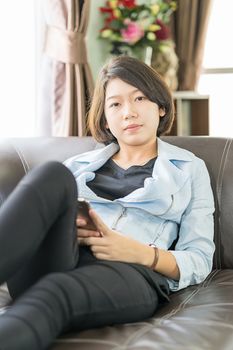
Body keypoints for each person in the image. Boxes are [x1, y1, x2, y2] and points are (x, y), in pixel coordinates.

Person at [0, 56, 215, 349]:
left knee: (53, 291)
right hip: (62, 256)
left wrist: (139, 252)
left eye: (139, 98)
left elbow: (200, 259)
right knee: (52, 173)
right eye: (115, 104)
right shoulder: (76, 166)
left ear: (161, 107)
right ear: (105, 118)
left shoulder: (190, 168)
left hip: (129, 271)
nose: (128, 112)